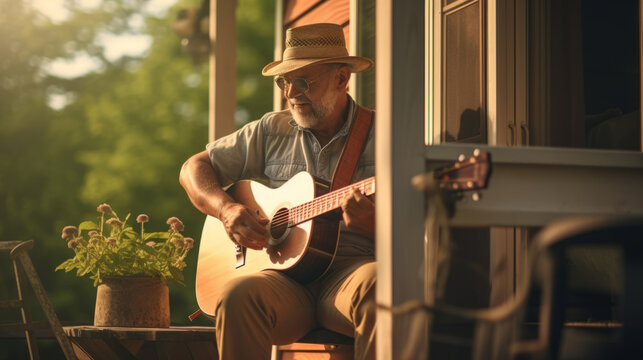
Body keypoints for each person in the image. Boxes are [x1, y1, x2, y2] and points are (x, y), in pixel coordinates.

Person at [179, 23, 376, 360]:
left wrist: (376, 225)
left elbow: (423, 229)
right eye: (285, 82)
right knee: (238, 294)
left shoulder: (385, 136)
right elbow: (193, 169)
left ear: (342, 79)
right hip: (283, 283)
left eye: (303, 82)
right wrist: (227, 209)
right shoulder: (271, 129)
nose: (291, 93)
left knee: (382, 285)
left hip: (349, 276)